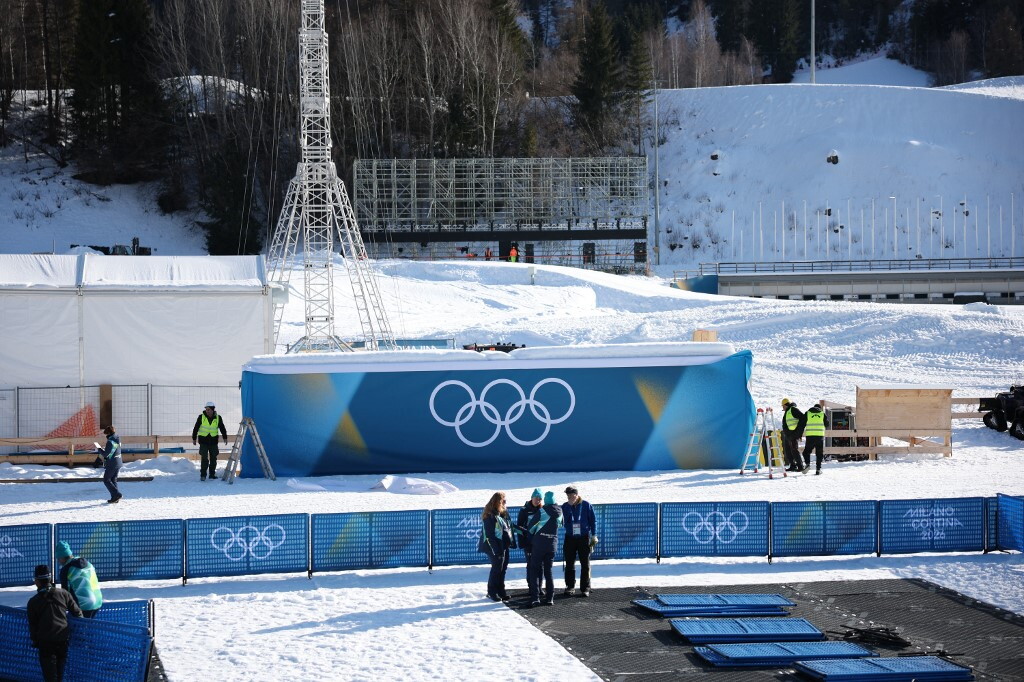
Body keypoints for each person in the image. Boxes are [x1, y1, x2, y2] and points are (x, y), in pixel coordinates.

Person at [27, 564, 82, 682]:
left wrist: (35, 641)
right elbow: (78, 613)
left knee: (50, 677)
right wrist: (79, 633)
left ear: (36, 581)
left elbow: (33, 625)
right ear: (50, 579)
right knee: (60, 674)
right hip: (63, 640)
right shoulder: (64, 593)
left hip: (46, 643)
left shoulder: (33, 602)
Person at [526, 490, 562, 607]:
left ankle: (535, 597)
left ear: (545, 500)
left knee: (535, 570)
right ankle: (550, 598)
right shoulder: (560, 511)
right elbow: (561, 524)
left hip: (539, 545)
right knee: (548, 571)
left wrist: (531, 539)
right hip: (552, 545)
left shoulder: (542, 511)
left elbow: (531, 528)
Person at [561, 485, 597, 597]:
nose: (569, 497)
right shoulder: (565, 506)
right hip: (570, 537)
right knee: (569, 563)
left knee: (585, 563)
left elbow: (593, 521)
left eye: (571, 495)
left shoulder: (586, 505)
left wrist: (594, 535)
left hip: (583, 537)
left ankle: (585, 587)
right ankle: (570, 586)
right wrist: (568, 508)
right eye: (568, 495)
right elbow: (562, 522)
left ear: (576, 494)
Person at [481, 492, 514, 602]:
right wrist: (496, 550)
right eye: (503, 501)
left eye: (505, 501)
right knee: (496, 569)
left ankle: (501, 591)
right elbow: (489, 535)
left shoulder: (503, 514)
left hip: (503, 545)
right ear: (497, 502)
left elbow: (510, 527)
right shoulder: (490, 515)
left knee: (502, 569)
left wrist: (524, 531)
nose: (505, 503)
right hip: (494, 547)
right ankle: (491, 592)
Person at [56, 541, 103, 618]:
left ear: (62, 557)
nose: (58, 561)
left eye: (58, 559)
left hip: (84, 606)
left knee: (72, 625)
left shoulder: (67, 569)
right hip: (98, 602)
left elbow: (65, 593)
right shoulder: (88, 563)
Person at [192, 401, 229, 480]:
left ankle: (212, 474)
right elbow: (196, 428)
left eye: (208, 409)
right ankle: (203, 475)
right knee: (204, 458)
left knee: (213, 458)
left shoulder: (218, 417)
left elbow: (222, 428)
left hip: (213, 441)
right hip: (203, 441)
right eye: (206, 409)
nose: (207, 411)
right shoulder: (201, 417)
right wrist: (194, 438)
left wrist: (225, 437)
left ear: (212, 409)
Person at [517, 489, 543, 586]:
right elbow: (519, 527)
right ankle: (531, 586)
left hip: (540, 542)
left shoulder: (542, 510)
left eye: (540, 499)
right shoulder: (524, 510)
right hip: (528, 542)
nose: (538, 501)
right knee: (531, 564)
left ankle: (539, 586)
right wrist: (523, 540)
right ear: (531, 498)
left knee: (540, 564)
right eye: (536, 498)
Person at [97, 425, 122, 503]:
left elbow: (105, 454)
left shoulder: (110, 442)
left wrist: (99, 449)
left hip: (112, 463)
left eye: (106, 434)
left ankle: (117, 494)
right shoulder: (117, 438)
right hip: (118, 462)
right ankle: (115, 498)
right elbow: (112, 451)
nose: (106, 436)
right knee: (113, 480)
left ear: (108, 433)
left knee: (106, 480)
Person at [780, 398, 806, 472]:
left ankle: (800, 466)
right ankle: (792, 465)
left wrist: (798, 432)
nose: (782, 408)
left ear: (785, 405)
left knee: (794, 450)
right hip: (788, 434)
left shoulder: (793, 409)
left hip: (793, 434)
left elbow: (803, 418)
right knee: (788, 450)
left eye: (783, 406)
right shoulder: (787, 411)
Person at [802, 401, 826, 474]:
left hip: (810, 437)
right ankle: (818, 469)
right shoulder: (822, 414)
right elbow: (827, 424)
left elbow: (802, 423)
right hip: (819, 437)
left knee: (806, 452)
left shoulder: (808, 413)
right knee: (819, 454)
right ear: (820, 408)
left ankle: (808, 464)